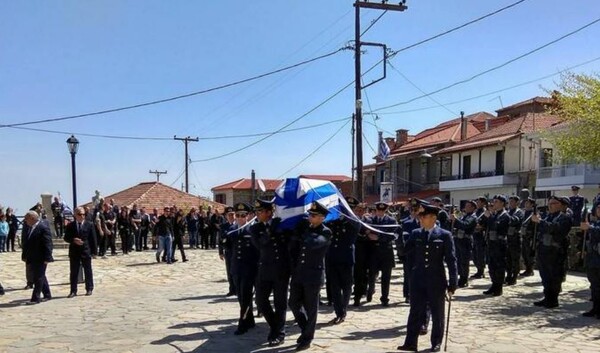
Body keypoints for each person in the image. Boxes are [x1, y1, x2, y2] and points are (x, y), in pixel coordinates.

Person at [398, 204, 457, 353]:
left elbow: (451, 259)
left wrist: (453, 282)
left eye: (423, 217)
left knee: (437, 314)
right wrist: (398, 237)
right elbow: (404, 251)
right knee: (415, 311)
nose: (421, 219)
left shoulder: (444, 235)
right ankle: (410, 342)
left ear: (432, 218)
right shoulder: (416, 233)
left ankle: (436, 342)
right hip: (418, 279)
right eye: (420, 217)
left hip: (436, 280)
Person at [288, 201, 331, 351]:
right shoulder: (305, 229)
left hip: (313, 275)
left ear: (322, 217)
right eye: (310, 214)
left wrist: (304, 231)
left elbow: (314, 244)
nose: (310, 217)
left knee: (311, 308)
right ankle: (305, 327)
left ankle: (307, 338)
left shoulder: (325, 232)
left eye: (313, 215)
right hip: (299, 273)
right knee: (293, 303)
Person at [249, 199, 291, 346]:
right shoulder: (255, 229)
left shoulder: (282, 225)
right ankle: (276, 326)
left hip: (281, 269)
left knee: (280, 303)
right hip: (264, 269)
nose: (257, 214)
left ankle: (279, 333)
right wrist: (270, 229)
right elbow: (260, 244)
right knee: (260, 301)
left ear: (269, 212)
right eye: (256, 211)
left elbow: (290, 244)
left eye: (260, 211)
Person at [532, 196, 572, 308]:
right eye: (549, 203)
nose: (550, 205)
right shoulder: (547, 216)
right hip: (544, 250)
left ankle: (553, 300)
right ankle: (547, 297)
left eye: (553, 203)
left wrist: (540, 221)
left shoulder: (564, 218)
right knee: (545, 276)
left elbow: (555, 229)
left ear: (559, 205)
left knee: (554, 276)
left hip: (555, 252)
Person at [224, 203, 259, 335]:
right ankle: (250, 320)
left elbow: (257, 251)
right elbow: (228, 248)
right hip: (236, 268)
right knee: (240, 296)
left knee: (245, 296)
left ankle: (242, 323)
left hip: (249, 269)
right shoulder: (232, 229)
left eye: (243, 215)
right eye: (237, 215)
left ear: (248, 216)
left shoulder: (252, 229)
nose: (239, 218)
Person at [324, 196, 359, 324]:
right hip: (332, 257)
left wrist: (348, 213)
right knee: (334, 287)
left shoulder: (354, 222)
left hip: (346, 258)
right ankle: (339, 312)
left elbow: (356, 225)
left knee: (347, 286)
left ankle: (343, 310)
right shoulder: (332, 221)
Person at [365, 202, 399, 306]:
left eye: (382, 211)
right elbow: (364, 231)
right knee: (371, 275)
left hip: (386, 252)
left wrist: (379, 238)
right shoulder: (371, 220)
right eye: (378, 211)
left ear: (385, 211)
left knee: (386, 277)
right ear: (375, 210)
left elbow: (394, 235)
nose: (380, 213)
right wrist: (367, 234)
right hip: (373, 252)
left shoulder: (391, 221)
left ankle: (384, 298)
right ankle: (370, 292)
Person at [21, 211, 54, 304]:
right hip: (32, 257)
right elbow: (27, 243)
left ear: (32, 218)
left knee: (38, 277)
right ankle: (47, 294)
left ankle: (35, 298)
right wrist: (24, 256)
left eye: (26, 219)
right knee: (41, 276)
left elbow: (48, 243)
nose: (25, 221)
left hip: (41, 257)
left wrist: (48, 258)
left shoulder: (42, 228)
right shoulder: (30, 228)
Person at [481, 195, 510, 296]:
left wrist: (490, 217)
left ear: (502, 203)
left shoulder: (505, 215)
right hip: (492, 243)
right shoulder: (495, 214)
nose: (494, 204)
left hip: (500, 244)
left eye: (496, 202)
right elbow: (483, 224)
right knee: (491, 266)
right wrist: (486, 216)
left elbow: (497, 226)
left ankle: (499, 287)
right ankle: (494, 285)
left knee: (499, 266)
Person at [64, 207, 95, 297]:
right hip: (74, 251)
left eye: (83, 214)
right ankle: (73, 290)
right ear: (75, 215)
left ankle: (89, 288)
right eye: (79, 214)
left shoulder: (89, 224)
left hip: (86, 250)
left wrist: (94, 252)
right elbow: (66, 238)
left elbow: (93, 239)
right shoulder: (70, 225)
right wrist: (74, 240)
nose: (82, 216)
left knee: (88, 270)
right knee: (74, 272)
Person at [450, 200, 477, 288]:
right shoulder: (464, 216)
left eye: (468, 206)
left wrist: (456, 220)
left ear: (473, 208)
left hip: (465, 241)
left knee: (464, 261)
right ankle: (461, 277)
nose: (466, 208)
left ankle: (464, 279)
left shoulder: (473, 217)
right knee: (458, 260)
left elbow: (465, 225)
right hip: (459, 239)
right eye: (466, 206)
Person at [579, 204, 600, 319]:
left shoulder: (594, 226)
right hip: (593, 258)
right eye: (598, 208)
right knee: (594, 285)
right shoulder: (595, 223)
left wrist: (590, 228)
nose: (599, 210)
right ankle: (595, 308)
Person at [352, 201, 371, 306]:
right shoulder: (351, 221)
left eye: (361, 210)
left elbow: (369, 236)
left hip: (363, 252)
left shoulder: (368, 221)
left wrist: (365, 235)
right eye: (357, 210)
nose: (359, 212)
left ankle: (358, 296)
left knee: (362, 274)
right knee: (354, 274)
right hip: (352, 251)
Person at [506, 196, 524, 286]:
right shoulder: (508, 211)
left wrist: (506, 216)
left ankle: (514, 276)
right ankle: (508, 275)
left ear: (517, 203)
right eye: (510, 201)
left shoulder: (519, 212)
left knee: (515, 259)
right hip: (507, 238)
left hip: (515, 238)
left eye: (512, 201)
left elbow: (515, 221)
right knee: (508, 259)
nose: (510, 203)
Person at [219, 206, 236, 296]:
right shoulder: (223, 226)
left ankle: (237, 288)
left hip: (237, 251)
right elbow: (220, 240)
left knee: (236, 270)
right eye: (229, 215)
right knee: (229, 271)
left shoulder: (238, 225)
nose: (231, 216)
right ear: (226, 216)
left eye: (232, 214)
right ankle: (232, 289)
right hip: (228, 252)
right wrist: (220, 252)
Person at [471, 196, 488, 279]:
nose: (477, 204)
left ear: (483, 203)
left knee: (480, 255)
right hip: (474, 235)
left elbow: (484, 225)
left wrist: (479, 226)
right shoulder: (476, 212)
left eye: (479, 202)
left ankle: (481, 271)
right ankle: (478, 269)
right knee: (474, 255)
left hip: (481, 236)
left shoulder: (485, 212)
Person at [519, 198, 537, 277]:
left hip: (530, 236)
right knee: (524, 253)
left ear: (532, 204)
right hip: (524, 235)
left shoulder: (533, 214)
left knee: (529, 254)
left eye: (528, 203)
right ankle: (527, 269)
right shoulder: (524, 213)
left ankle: (530, 269)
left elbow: (535, 226)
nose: (526, 204)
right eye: (525, 203)